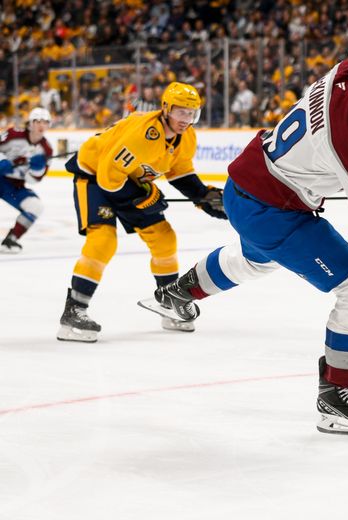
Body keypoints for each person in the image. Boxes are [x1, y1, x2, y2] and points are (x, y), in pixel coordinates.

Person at [149, 38, 348, 437]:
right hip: (273, 209)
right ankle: (335, 397)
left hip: (248, 186)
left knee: (257, 261)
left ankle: (178, 293)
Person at [57, 82, 227, 343]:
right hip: (94, 177)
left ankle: (167, 302)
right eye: (181, 112)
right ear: (166, 109)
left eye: (192, 113)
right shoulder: (143, 133)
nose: (187, 119)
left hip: (128, 181)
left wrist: (202, 196)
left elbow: (179, 172)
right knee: (103, 240)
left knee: (164, 238)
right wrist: (144, 196)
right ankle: (74, 312)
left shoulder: (187, 136)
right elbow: (108, 178)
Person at [0, 107, 53, 253]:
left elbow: (34, 180)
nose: (41, 125)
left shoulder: (46, 150)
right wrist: (3, 162)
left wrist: (37, 170)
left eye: (45, 122)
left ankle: (11, 240)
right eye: (38, 121)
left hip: (13, 186)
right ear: (30, 123)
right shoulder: (12, 134)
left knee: (36, 206)